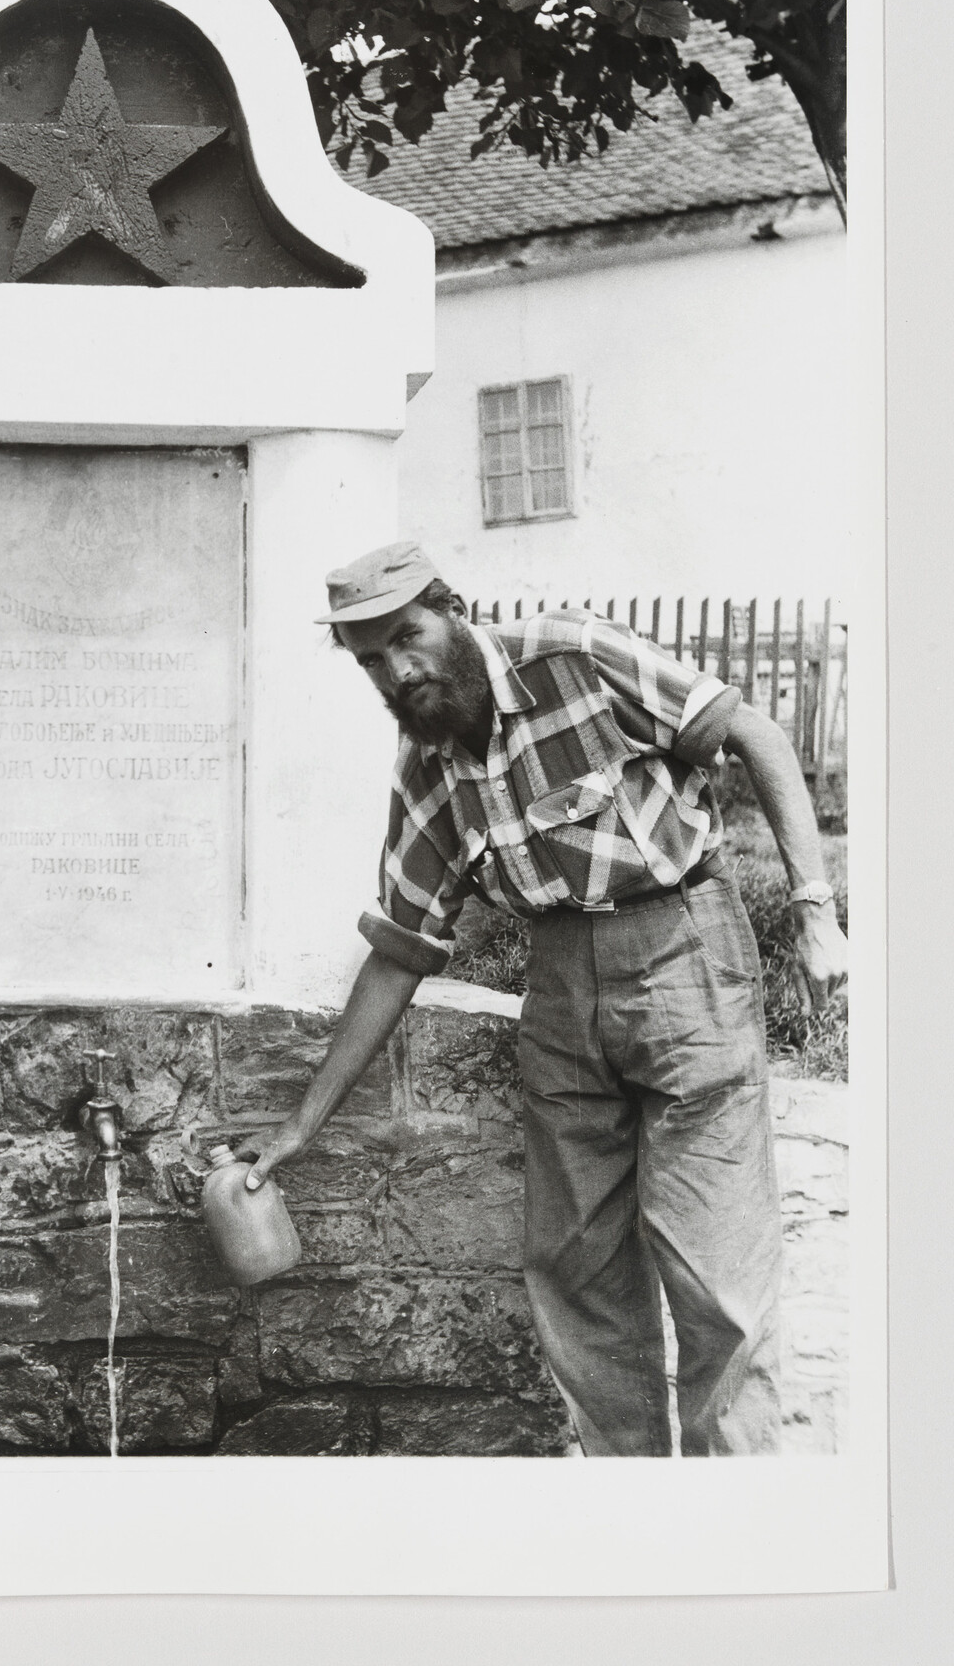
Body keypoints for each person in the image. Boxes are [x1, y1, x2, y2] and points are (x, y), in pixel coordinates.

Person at [245, 543, 849, 1457]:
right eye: (371, 658)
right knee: (577, 1277)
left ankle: (741, 1520)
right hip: (560, 988)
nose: (397, 671)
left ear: (452, 612)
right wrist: (301, 1124)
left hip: (684, 947)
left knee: (716, 1277)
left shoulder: (570, 654)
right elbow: (400, 948)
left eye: (407, 638)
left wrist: (813, 908)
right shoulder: (425, 764)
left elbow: (752, 733)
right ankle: (628, 1518)